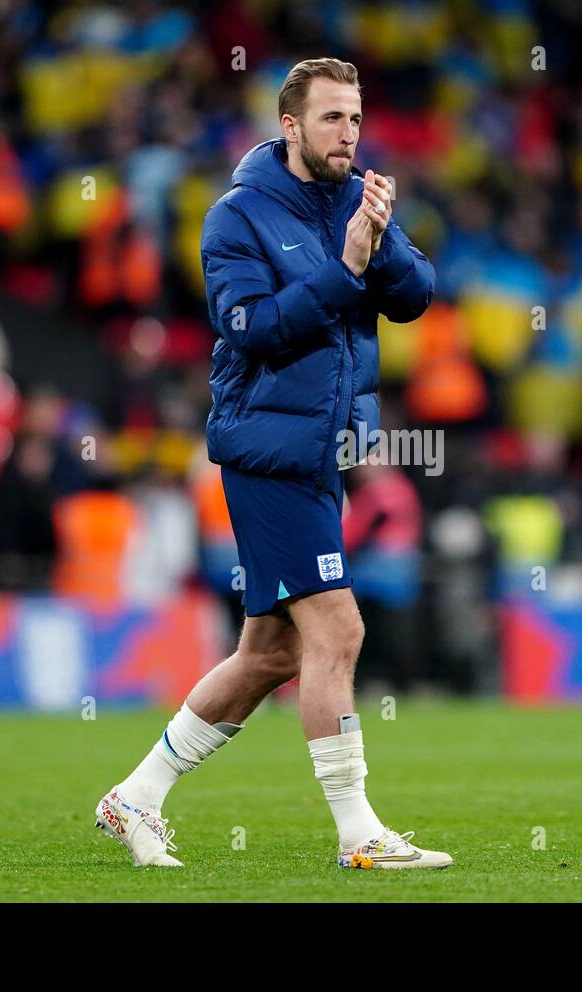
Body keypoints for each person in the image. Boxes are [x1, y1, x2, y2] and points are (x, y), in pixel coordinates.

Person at [95, 59, 450, 870]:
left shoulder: (357, 199)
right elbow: (252, 326)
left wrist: (377, 242)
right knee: (338, 628)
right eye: (331, 119)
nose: (348, 134)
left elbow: (417, 293)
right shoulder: (236, 218)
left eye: (355, 118)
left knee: (272, 654)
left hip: (321, 454)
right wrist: (345, 267)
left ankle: (135, 797)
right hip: (265, 450)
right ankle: (359, 835)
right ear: (289, 126)